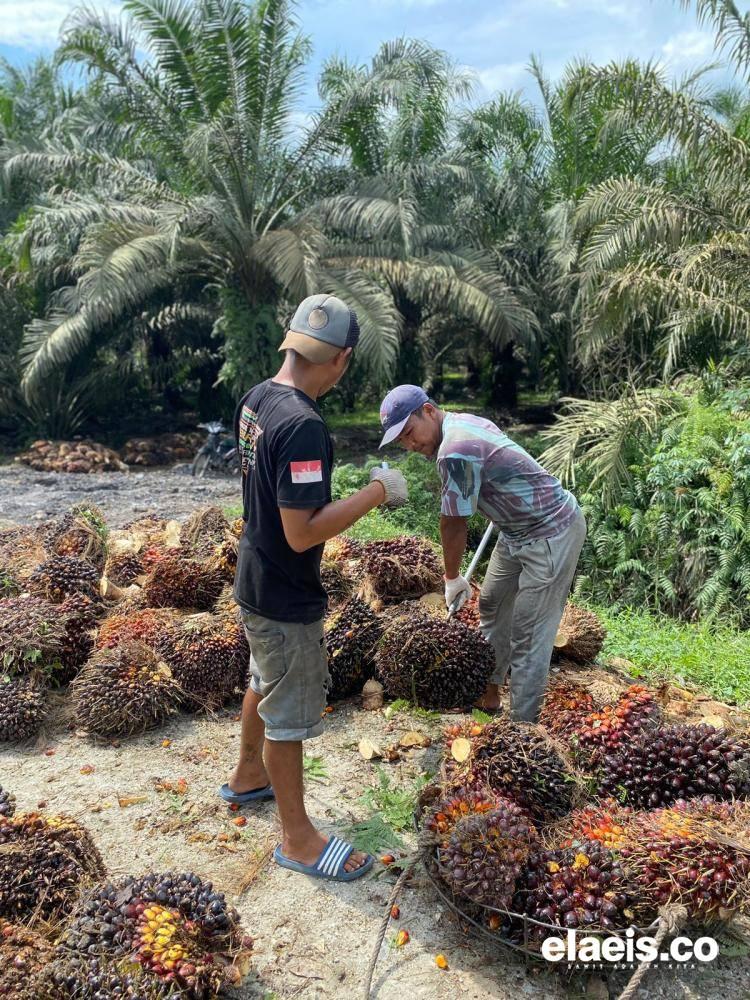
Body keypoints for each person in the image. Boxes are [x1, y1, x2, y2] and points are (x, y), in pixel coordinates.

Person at [221, 294, 408, 882]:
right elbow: (302, 532)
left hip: (252, 574)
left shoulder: (257, 399)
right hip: (283, 590)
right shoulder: (303, 426)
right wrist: (377, 492)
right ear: (342, 359)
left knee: (264, 680)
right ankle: (298, 839)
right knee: (290, 712)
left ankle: (248, 776)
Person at [378, 385, 585, 723]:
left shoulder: (454, 449)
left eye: (410, 432)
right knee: (492, 605)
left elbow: (454, 522)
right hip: (514, 527)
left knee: (529, 633)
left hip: (550, 531)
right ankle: (488, 695)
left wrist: (451, 577)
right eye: (401, 441)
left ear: (429, 411)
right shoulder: (458, 423)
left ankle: (521, 730)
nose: (411, 445)